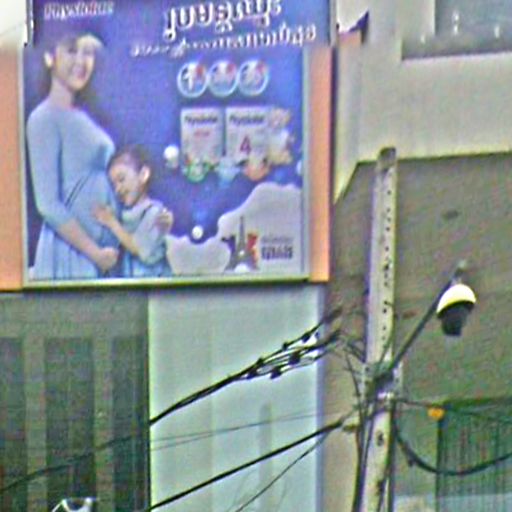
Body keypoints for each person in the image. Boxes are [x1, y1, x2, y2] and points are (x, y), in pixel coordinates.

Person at [26, 32, 119, 280]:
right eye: (71, 50)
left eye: (87, 53)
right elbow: (47, 204)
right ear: (49, 57)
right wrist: (95, 253)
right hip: (70, 256)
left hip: (101, 257)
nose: (81, 61)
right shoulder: (43, 119)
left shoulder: (83, 116)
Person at [94, 145, 173, 278]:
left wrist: (112, 223)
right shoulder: (124, 215)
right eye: (114, 185)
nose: (118, 189)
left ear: (143, 175)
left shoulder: (154, 213)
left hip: (153, 283)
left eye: (121, 179)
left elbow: (139, 249)